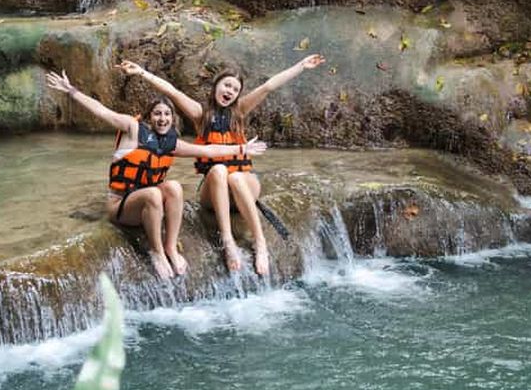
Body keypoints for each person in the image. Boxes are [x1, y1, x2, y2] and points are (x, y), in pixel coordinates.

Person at [45, 70, 268, 280]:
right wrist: (72, 91)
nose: (162, 118)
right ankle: (157, 251)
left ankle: (171, 247)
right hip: (120, 205)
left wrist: (242, 149)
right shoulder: (132, 129)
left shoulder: (171, 143)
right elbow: (102, 111)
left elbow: (209, 150)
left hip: (148, 203)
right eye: (157, 114)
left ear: (173, 119)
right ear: (149, 117)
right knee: (153, 193)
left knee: (174, 187)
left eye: (167, 115)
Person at [117, 54, 325, 275]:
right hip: (214, 190)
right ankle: (228, 242)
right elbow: (172, 92)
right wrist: (142, 73)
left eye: (235, 89)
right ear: (216, 86)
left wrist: (301, 66)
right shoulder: (200, 115)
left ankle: (260, 242)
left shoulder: (240, 111)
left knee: (234, 177)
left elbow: (268, 86)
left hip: (244, 184)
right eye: (226, 85)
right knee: (218, 170)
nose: (229, 91)